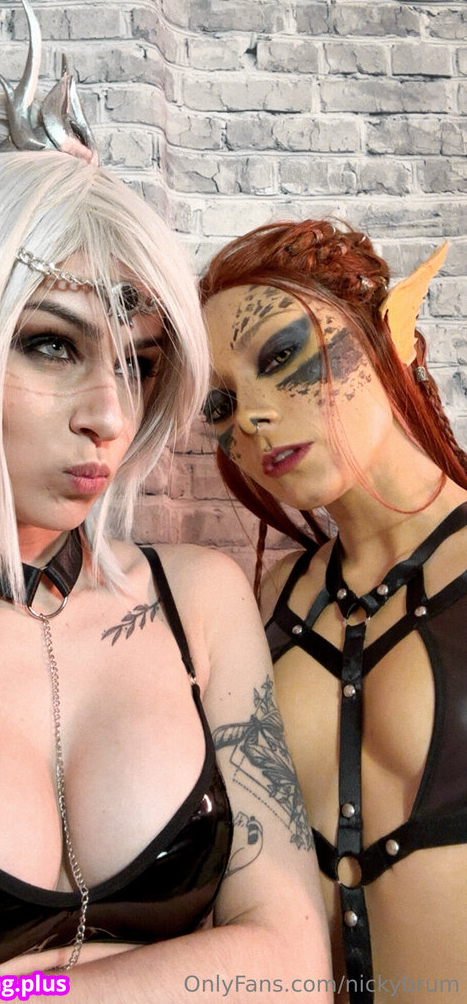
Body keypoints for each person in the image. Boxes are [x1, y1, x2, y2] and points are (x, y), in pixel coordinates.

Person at [0, 0, 331, 1001]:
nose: (111, 416)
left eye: (140, 363)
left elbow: (295, 970)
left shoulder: (197, 599)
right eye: (50, 343)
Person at [200, 219, 467, 1004]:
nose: (250, 418)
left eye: (282, 356)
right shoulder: (268, 600)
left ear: (391, 334)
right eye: (220, 403)